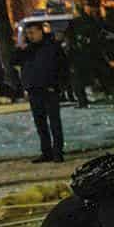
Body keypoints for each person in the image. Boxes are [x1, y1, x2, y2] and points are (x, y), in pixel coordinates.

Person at [12, 22, 69, 163]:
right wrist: (20, 49)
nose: (30, 36)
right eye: (28, 33)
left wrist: (57, 86)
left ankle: (58, 152)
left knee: (54, 122)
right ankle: (46, 151)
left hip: (49, 89)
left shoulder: (52, 46)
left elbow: (62, 67)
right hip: (34, 89)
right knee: (40, 123)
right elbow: (13, 61)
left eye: (32, 32)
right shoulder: (27, 49)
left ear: (40, 31)